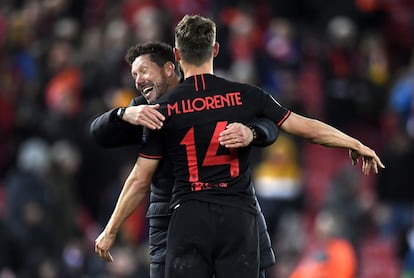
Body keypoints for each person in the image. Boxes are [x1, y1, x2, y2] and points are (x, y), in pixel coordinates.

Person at [96, 15, 384, 278]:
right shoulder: (245, 96)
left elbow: (140, 178)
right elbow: (304, 127)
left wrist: (110, 230)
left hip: (188, 215)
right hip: (237, 216)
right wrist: (353, 142)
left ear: (178, 55)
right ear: (216, 50)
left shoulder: (162, 109)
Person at [91, 42, 279, 278]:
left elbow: (270, 123)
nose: (138, 80)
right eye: (134, 75)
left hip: (228, 214)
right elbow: (99, 134)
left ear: (169, 69)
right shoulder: (144, 111)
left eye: (144, 71)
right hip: (170, 219)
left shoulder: (212, 97)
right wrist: (123, 114)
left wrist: (252, 132)